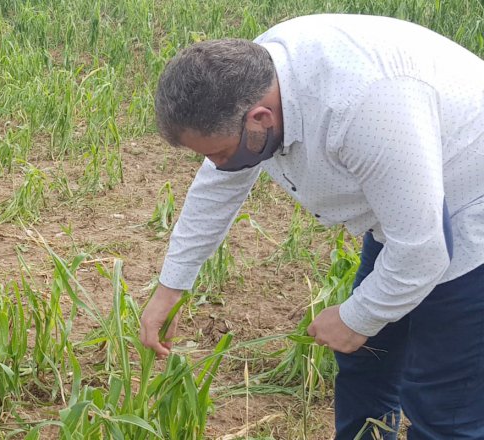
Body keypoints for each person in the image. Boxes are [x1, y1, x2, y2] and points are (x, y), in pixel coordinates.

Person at [140, 14, 484, 440]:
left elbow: (423, 250)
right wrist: (171, 288)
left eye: (222, 152)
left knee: (443, 404)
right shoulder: (251, 75)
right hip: (405, 210)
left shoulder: (363, 105)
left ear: (261, 117)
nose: (218, 165)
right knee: (367, 360)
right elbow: (218, 187)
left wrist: (358, 316)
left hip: (471, 212)